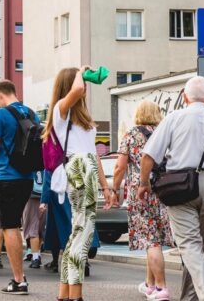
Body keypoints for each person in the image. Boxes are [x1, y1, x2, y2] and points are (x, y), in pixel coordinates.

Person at [138, 76, 204, 301]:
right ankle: (190, 297)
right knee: (199, 245)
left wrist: (144, 183)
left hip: (180, 186)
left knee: (189, 244)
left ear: (185, 97)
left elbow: (148, 156)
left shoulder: (174, 118)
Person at [40, 69, 116, 301]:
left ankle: (65, 294)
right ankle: (75, 295)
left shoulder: (81, 117)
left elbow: (93, 153)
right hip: (79, 168)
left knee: (78, 233)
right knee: (82, 234)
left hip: (87, 167)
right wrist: (81, 72)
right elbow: (79, 89)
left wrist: (106, 187)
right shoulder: (61, 110)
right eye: (80, 79)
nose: (84, 83)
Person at [0, 80, 45, 294]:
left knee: (10, 226)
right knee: (16, 225)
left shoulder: (0, 115)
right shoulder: (31, 113)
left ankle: (18, 279)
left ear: (0, 95)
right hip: (28, 177)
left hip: (7, 176)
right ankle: (19, 276)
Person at [113, 100, 173, 300]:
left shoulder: (131, 135)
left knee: (151, 241)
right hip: (163, 191)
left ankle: (161, 288)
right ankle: (150, 284)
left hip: (141, 191)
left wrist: (114, 189)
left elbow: (120, 166)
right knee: (153, 239)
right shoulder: (164, 132)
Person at [21, 170, 46, 269]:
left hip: (31, 194)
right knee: (40, 228)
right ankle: (38, 255)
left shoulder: (31, 157)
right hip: (44, 194)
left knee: (32, 228)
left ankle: (35, 258)